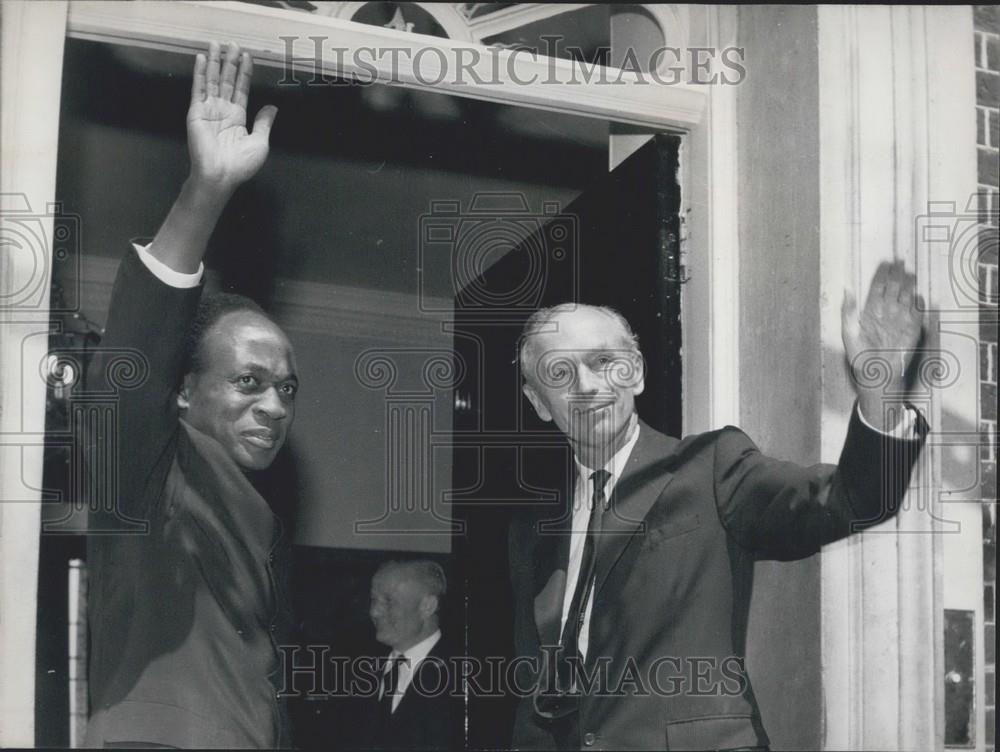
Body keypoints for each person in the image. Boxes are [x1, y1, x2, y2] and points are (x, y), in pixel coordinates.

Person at [507, 262, 928, 750]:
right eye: (559, 372)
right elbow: (537, 687)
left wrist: (880, 388)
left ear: (636, 373)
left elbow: (852, 500)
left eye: (603, 361)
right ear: (539, 403)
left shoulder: (710, 465)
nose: (586, 385)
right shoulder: (533, 529)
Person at [83, 42, 293, 748]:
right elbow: (136, 357)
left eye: (285, 390)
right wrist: (206, 190)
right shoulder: (146, 478)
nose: (274, 406)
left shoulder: (254, 515)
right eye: (248, 383)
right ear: (180, 393)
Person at [350, 559, 458, 751]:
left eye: (389, 601)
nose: (374, 612)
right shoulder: (360, 672)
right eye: (373, 600)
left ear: (428, 606)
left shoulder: (462, 679)